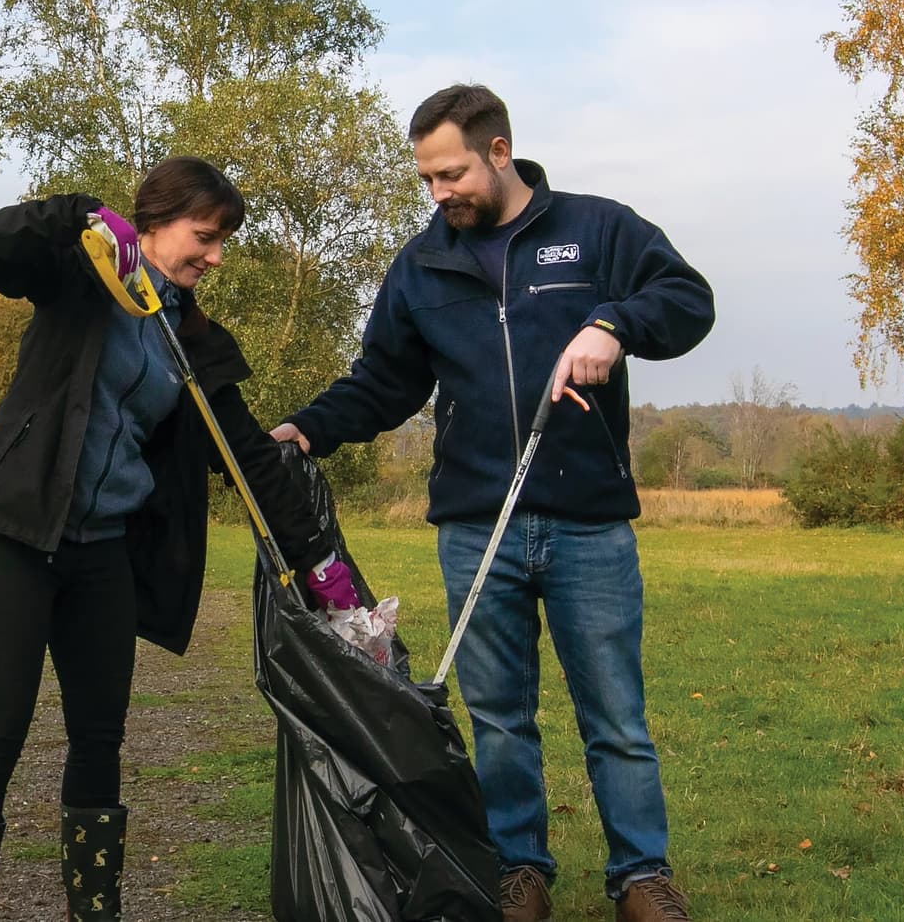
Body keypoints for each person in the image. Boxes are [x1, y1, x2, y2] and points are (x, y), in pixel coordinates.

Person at [270, 85, 714, 922]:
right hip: (477, 525)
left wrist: (613, 325)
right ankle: (519, 872)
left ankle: (642, 877)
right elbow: (382, 381)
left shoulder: (597, 230)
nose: (439, 192)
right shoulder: (421, 265)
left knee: (615, 714)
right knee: (499, 717)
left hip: (589, 522)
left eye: (451, 174)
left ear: (499, 152)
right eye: (427, 179)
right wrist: (308, 428)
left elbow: (689, 301)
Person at [0, 156, 359, 922]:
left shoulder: (192, 338)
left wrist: (318, 557)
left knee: (100, 737)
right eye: (205, 237)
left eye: (222, 242)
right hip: (12, 531)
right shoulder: (79, 276)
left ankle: (96, 913)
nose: (215, 257)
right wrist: (79, 214)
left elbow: (249, 455)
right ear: (153, 222)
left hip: (102, 552)